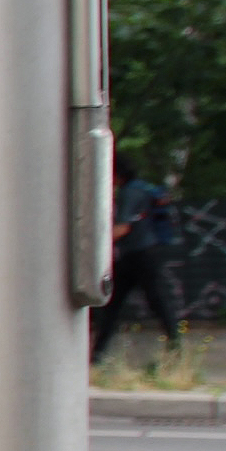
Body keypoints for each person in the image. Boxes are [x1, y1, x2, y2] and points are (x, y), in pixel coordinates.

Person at [90, 154, 181, 360]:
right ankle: (174, 345)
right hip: (145, 253)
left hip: (137, 254)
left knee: (119, 304)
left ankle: (98, 353)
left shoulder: (129, 193)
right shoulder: (142, 189)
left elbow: (123, 227)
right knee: (151, 300)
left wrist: (96, 242)